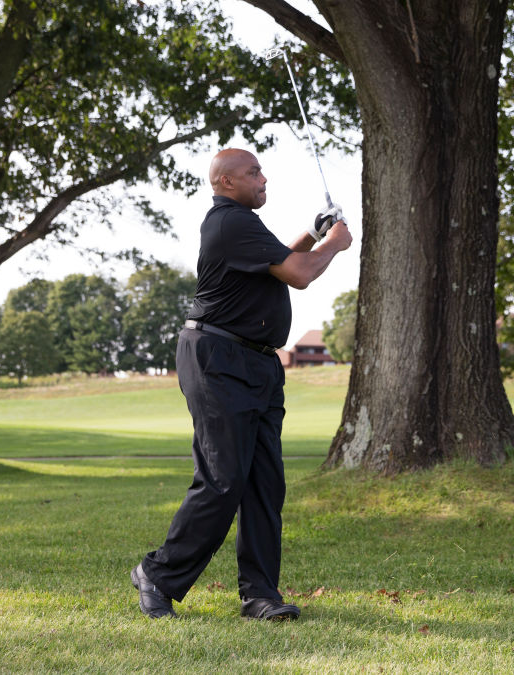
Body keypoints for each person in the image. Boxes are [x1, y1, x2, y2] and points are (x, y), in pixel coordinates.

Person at [130, 148, 352, 620]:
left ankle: (260, 596)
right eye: (254, 172)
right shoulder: (228, 221)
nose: (264, 178)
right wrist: (334, 242)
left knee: (264, 483)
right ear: (226, 182)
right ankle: (157, 574)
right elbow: (299, 274)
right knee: (224, 477)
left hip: (257, 365)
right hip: (218, 357)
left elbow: (283, 259)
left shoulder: (244, 224)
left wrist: (314, 232)